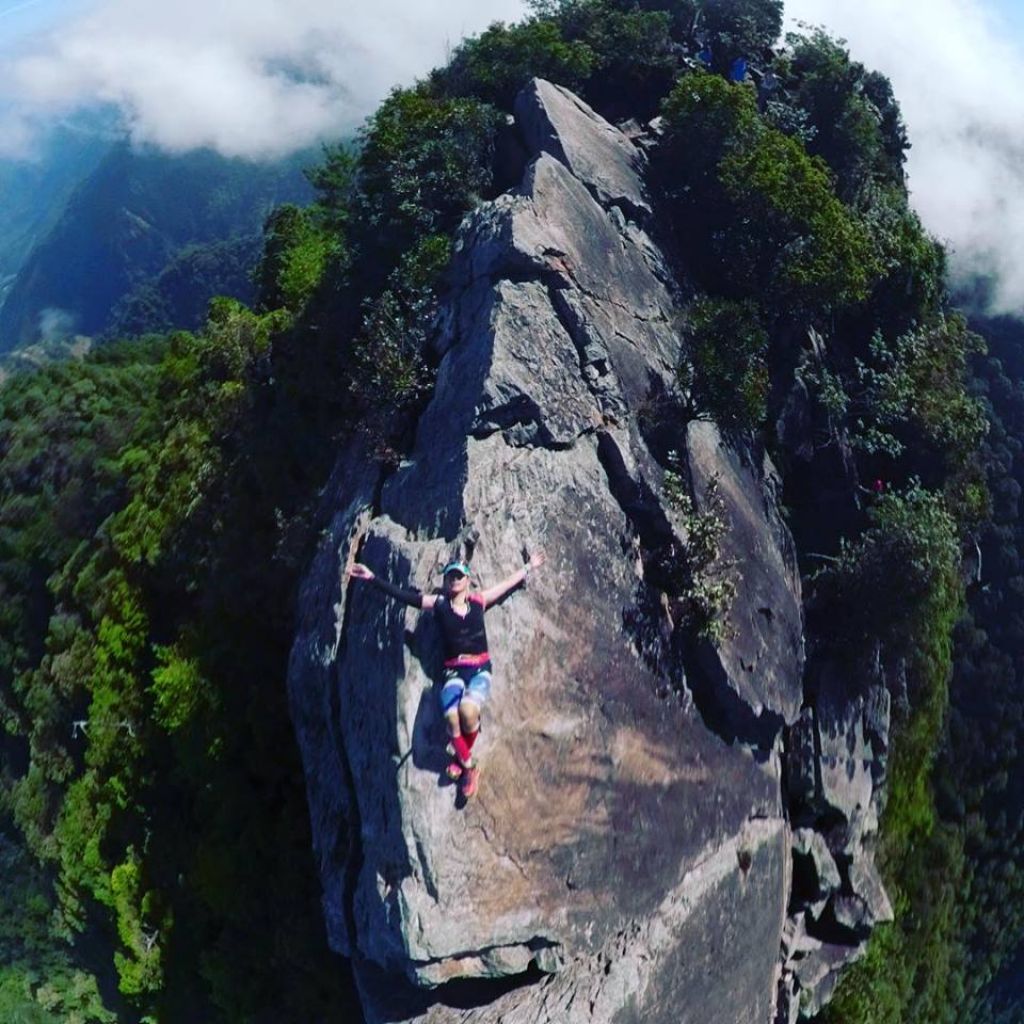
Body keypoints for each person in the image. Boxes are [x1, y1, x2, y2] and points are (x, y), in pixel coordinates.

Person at [348, 551, 546, 798]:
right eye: (450, 576)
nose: (454, 580)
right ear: (445, 581)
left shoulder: (478, 601)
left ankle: (462, 756)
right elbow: (406, 596)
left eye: (459, 576)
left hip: (479, 669)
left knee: (468, 712)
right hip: (453, 671)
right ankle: (468, 766)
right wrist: (373, 578)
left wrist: (529, 567)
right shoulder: (439, 605)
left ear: (467, 580)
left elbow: (506, 584)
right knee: (451, 717)